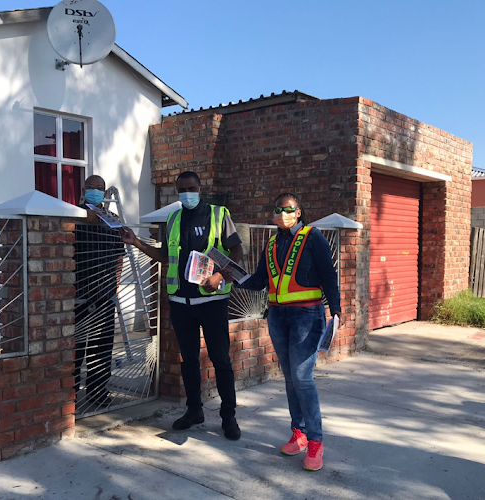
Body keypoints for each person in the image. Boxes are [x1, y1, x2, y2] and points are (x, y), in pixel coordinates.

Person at [120, 171, 244, 440]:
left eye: (191, 188)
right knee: (188, 360)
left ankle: (228, 416)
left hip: (212, 302)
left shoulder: (218, 215)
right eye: (181, 190)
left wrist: (220, 275)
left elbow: (236, 251)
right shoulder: (174, 218)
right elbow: (165, 257)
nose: (186, 193)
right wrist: (137, 242)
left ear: (200, 188)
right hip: (181, 302)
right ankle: (194, 410)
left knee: (221, 360)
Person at [238, 192, 343, 471]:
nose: (283, 213)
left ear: (299, 212)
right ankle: (299, 433)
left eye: (289, 209)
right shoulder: (272, 243)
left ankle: (316, 441)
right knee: (290, 378)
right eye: (278, 209)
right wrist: (230, 276)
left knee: (302, 378)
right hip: (277, 315)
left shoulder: (313, 237)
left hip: (306, 315)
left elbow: (328, 275)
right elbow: (260, 281)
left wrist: (336, 310)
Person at [73, 175, 124, 409]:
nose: (95, 191)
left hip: (105, 295)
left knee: (102, 347)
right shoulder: (72, 218)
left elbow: (119, 258)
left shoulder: (112, 221)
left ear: (105, 193)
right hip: (78, 294)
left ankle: (97, 393)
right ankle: (69, 396)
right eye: (91, 188)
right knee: (75, 348)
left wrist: (114, 286)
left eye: (99, 188)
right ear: (83, 190)